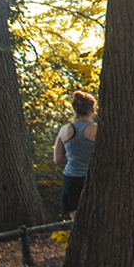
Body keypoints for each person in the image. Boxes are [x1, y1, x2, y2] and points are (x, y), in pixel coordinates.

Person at [51, 90, 98, 218]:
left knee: (75, 219)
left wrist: (73, 159)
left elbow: (58, 159)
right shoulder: (97, 130)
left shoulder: (64, 130)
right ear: (92, 109)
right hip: (93, 179)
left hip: (71, 179)